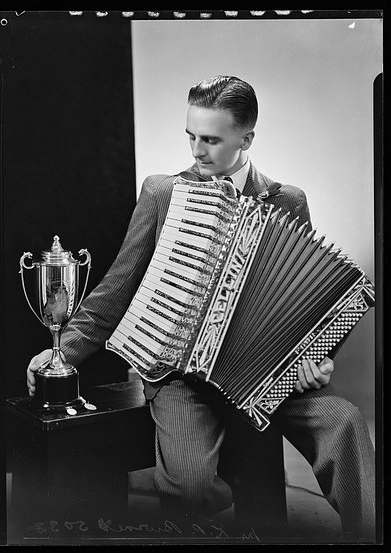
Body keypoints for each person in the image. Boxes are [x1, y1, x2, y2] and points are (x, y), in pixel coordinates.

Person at [26, 75, 376, 540]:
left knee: (345, 422)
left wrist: (315, 358)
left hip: (266, 380)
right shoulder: (162, 194)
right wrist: (61, 353)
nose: (196, 151)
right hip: (180, 378)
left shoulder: (288, 201)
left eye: (211, 139)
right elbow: (115, 290)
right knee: (189, 488)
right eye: (190, 136)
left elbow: (308, 304)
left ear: (246, 138)